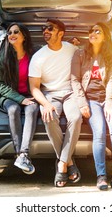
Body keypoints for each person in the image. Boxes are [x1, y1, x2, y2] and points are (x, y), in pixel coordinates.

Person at [29, 18, 83, 187]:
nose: (45, 31)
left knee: (75, 118)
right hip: (49, 94)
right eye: (43, 28)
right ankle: (69, 162)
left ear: (60, 34)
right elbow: (34, 88)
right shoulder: (38, 57)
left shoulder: (71, 49)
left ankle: (61, 163)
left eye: (50, 29)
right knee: (49, 116)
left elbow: (88, 55)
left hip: (70, 92)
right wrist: (45, 104)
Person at [70, 22, 112, 191]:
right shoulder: (79, 54)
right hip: (91, 100)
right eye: (91, 30)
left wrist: (109, 103)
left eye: (97, 31)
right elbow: (75, 80)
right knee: (99, 133)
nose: (92, 33)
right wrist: (82, 103)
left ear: (104, 36)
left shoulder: (110, 56)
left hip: (110, 98)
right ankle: (101, 176)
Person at [0, 23, 39, 175]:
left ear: (24, 36)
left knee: (32, 109)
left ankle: (23, 155)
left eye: (16, 32)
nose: (11, 34)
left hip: (29, 94)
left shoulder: (34, 55)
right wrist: (20, 99)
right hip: (8, 95)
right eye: (9, 32)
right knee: (13, 109)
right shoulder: (1, 57)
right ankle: (20, 154)